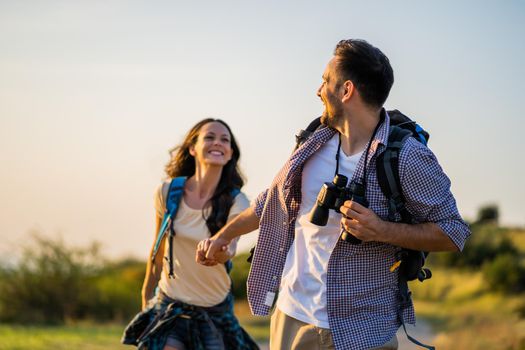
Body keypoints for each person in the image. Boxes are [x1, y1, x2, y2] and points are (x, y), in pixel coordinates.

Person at [196, 39, 470, 350]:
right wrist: (223, 236)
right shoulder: (312, 142)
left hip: (363, 330)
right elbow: (271, 200)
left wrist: (381, 230)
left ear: (346, 90)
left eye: (326, 80)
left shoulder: (407, 157)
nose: (318, 90)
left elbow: (454, 232)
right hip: (291, 317)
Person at [123, 118, 258, 350]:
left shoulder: (237, 201)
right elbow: (158, 252)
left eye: (225, 140)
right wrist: (147, 302)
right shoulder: (168, 192)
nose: (218, 143)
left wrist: (220, 251)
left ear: (229, 154)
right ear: (192, 148)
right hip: (171, 305)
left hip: (214, 310)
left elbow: (231, 247)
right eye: (209, 137)